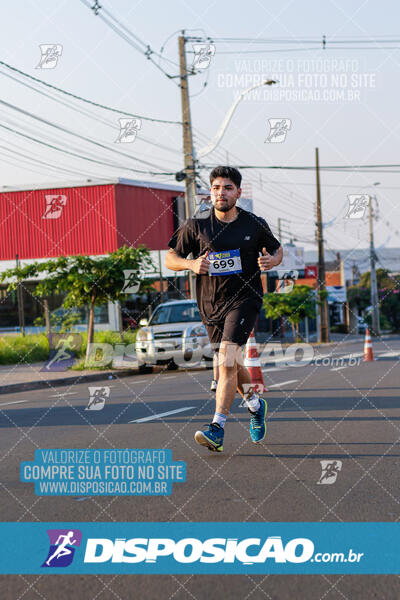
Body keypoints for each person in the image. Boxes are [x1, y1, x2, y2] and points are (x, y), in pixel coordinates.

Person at [165, 166, 283, 452]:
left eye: (228, 188)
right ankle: (255, 405)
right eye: (217, 187)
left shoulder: (254, 223)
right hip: (210, 304)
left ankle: (217, 427)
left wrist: (272, 262)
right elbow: (171, 257)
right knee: (232, 363)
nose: (221, 193)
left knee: (227, 360)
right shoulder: (197, 225)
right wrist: (191, 264)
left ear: (238, 193)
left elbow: (277, 250)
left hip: (245, 299)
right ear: (211, 191)